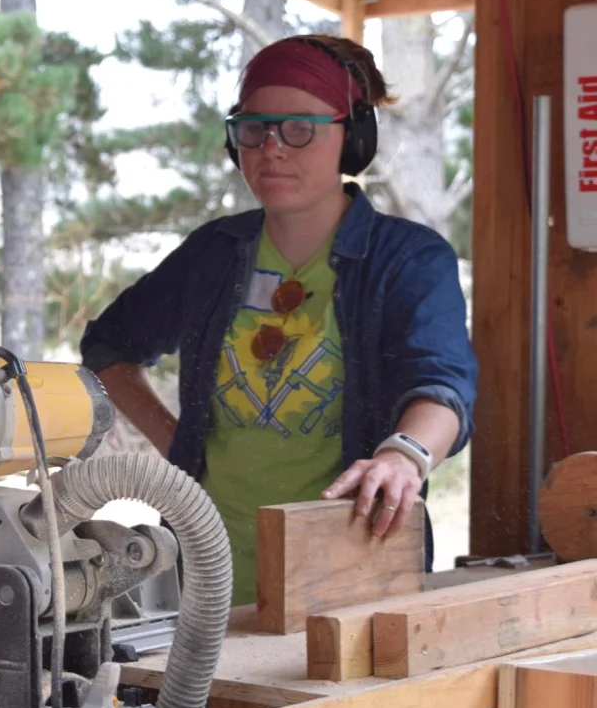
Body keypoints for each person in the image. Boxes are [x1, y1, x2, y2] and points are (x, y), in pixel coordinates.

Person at [78, 35, 477, 604]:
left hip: (353, 574)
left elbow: (442, 386)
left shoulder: (408, 260)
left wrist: (403, 456)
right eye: (254, 129)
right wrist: (180, 445)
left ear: (353, 137)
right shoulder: (213, 253)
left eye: (299, 129)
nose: (272, 149)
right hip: (206, 575)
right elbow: (108, 348)